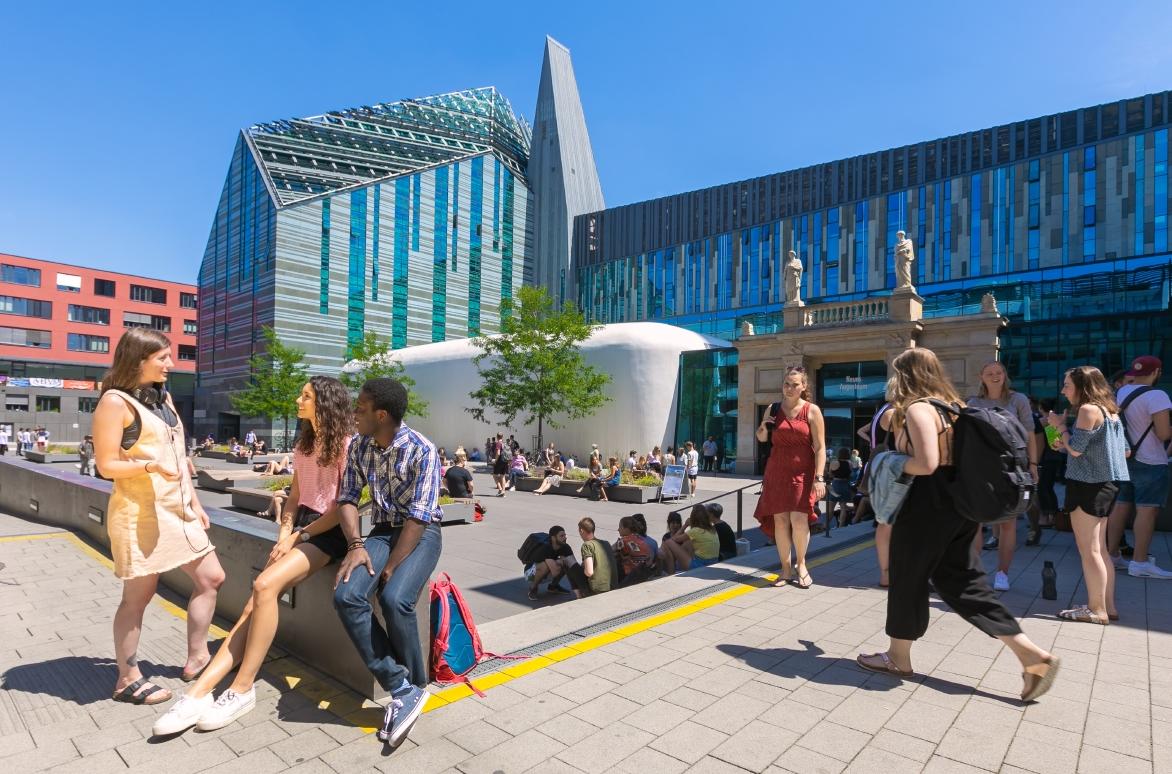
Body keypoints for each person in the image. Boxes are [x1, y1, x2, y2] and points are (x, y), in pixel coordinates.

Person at [153, 376, 354, 734]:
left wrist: (297, 536)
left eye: (305, 396)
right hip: (301, 529)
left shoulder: (346, 446)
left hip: (329, 532)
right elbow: (294, 497)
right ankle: (199, 692)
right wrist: (283, 531)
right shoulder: (304, 445)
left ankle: (242, 688)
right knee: (252, 605)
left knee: (262, 588)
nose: (297, 400)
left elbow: (342, 508)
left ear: (324, 402)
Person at [856, 348, 1059, 703]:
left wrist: (889, 462)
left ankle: (898, 659)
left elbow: (926, 463)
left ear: (905, 375)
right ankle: (1030, 654)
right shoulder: (953, 406)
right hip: (957, 504)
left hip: (924, 505)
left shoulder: (919, 409)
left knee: (907, 578)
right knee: (961, 581)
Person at [91, 329, 226, 707]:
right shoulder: (115, 402)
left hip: (178, 510)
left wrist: (195, 502)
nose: (171, 364)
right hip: (141, 514)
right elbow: (105, 464)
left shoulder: (163, 398)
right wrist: (149, 464)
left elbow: (180, 456)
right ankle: (126, 678)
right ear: (138, 360)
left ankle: (197, 655)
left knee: (212, 577)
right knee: (139, 596)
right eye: (162, 358)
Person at [332, 378, 443, 746]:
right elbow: (346, 497)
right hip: (380, 531)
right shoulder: (360, 445)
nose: (354, 414)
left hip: (421, 533)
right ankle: (400, 685)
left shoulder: (423, 450)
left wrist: (392, 566)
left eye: (360, 409)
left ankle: (416, 683)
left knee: (395, 598)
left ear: (381, 414)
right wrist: (355, 545)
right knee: (346, 595)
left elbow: (419, 517)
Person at [1046, 367, 1127, 624]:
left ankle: (1096, 610)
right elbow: (1124, 452)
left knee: (1089, 551)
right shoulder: (1111, 412)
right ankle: (1108, 607)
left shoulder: (1087, 410)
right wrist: (1065, 442)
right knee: (1100, 550)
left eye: (1067, 384)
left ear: (1082, 386)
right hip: (1107, 484)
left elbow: (1078, 451)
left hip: (1087, 485)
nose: (1063, 390)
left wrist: (1060, 427)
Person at [967, 361, 1038, 592]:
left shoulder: (1018, 400)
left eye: (999, 372)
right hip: (980, 467)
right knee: (975, 522)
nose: (995, 376)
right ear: (981, 376)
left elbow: (1030, 433)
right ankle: (975, 574)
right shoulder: (974, 403)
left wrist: (1033, 464)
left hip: (1012, 466)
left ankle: (1002, 574)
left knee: (1008, 522)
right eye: (990, 373)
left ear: (1005, 375)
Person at [753, 366, 827, 588]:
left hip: (803, 472)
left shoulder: (812, 411)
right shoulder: (773, 409)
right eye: (786, 383)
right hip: (776, 471)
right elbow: (762, 438)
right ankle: (785, 570)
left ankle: (801, 564)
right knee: (781, 520)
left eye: (795, 384)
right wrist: (763, 429)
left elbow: (821, 447)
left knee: (799, 519)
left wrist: (820, 478)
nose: (790, 388)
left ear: (804, 386)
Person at [1107, 356, 1172, 578]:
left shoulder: (1122, 392)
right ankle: (1140, 562)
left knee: (1121, 506)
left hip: (1125, 458)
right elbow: (1163, 434)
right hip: (1151, 461)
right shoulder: (1158, 396)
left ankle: (1112, 555)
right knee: (1147, 510)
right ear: (1156, 372)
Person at [525, 525, 575, 599]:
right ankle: (533, 588)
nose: (565, 537)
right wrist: (560, 561)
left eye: (565, 535)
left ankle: (553, 587)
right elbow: (555, 572)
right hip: (530, 573)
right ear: (553, 538)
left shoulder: (565, 547)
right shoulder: (546, 548)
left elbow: (573, 565)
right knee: (545, 566)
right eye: (561, 536)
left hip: (549, 568)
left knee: (567, 562)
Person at [615, 516, 657, 585]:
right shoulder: (641, 539)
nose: (618, 529)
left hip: (632, 576)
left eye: (620, 527)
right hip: (646, 574)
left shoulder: (623, 541)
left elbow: (609, 551)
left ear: (627, 529)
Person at [578, 517, 614, 595]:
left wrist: (583, 568)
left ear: (581, 530)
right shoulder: (606, 543)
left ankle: (580, 596)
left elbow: (589, 572)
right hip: (613, 585)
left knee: (570, 565)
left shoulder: (587, 545)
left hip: (598, 589)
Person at [825, 447, 854, 527]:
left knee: (831, 508)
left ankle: (826, 525)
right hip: (845, 485)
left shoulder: (834, 463)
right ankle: (841, 526)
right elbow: (851, 475)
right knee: (843, 507)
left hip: (835, 485)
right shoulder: (850, 463)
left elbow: (830, 474)